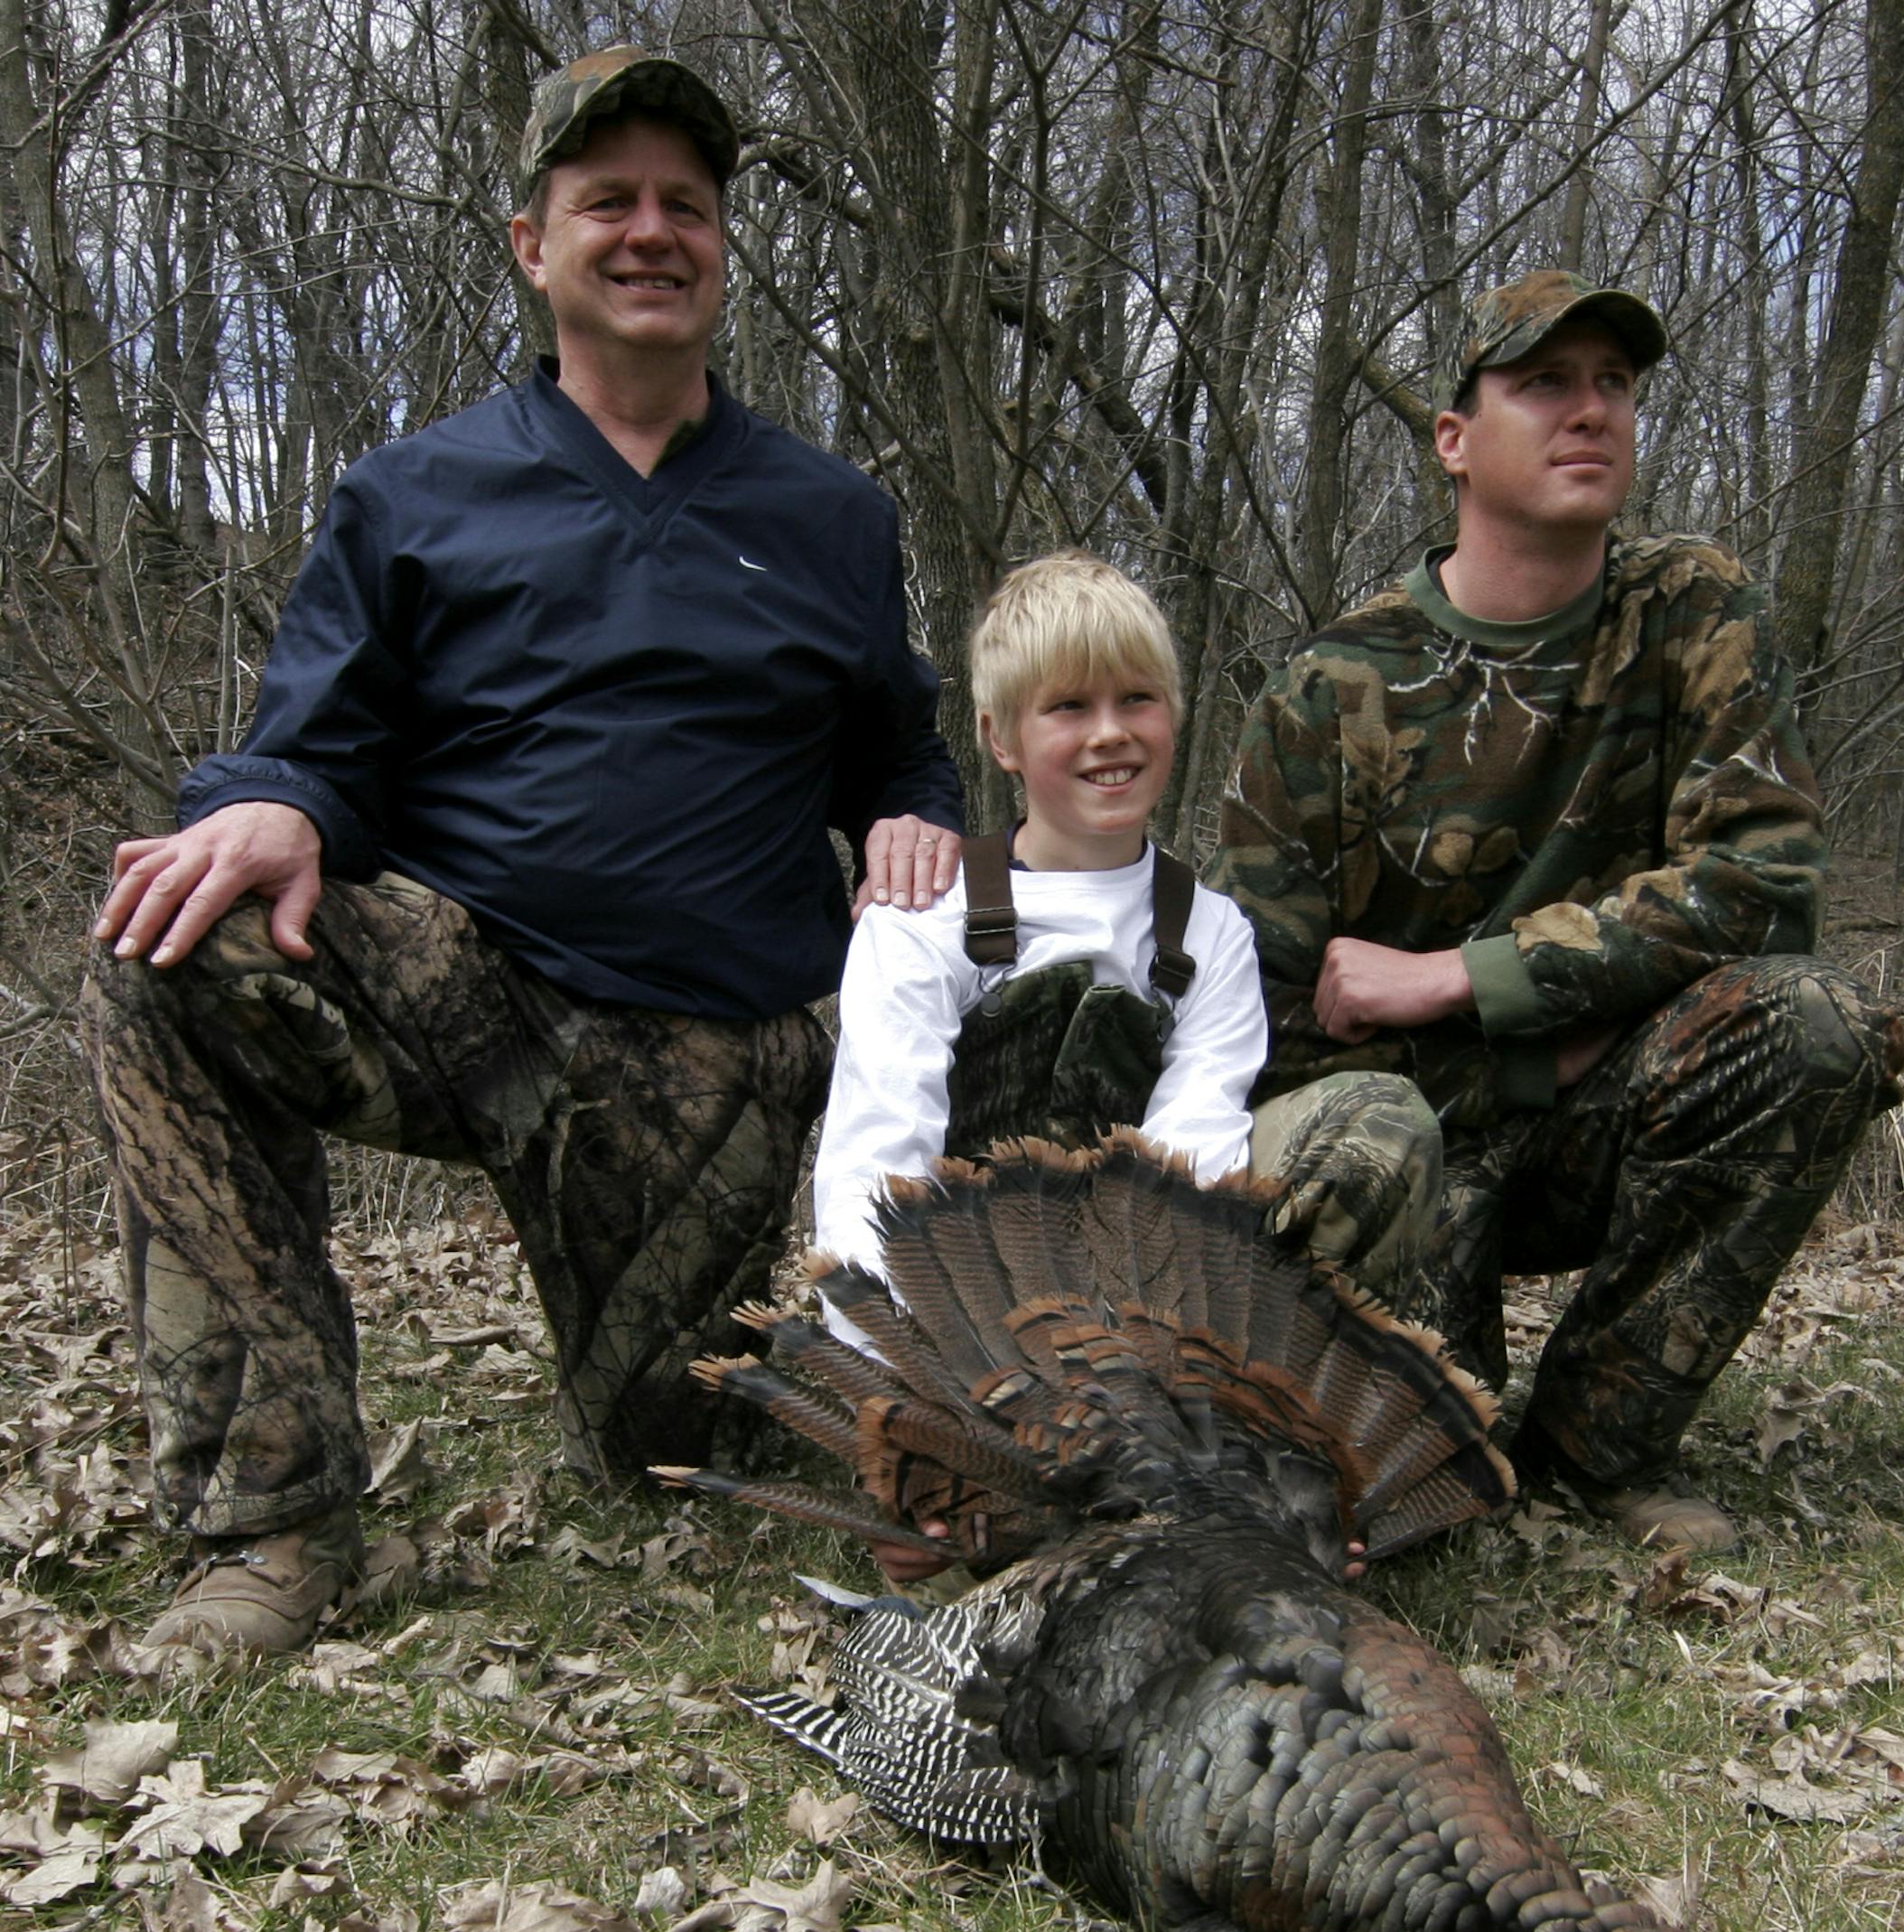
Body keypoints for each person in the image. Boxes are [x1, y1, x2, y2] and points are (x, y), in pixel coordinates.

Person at [81, 48, 963, 1657]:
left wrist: (928, 816)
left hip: (710, 1059)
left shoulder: (833, 515)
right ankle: (272, 1522)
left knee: (663, 1458)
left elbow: (900, 749)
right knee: (173, 932)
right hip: (467, 991)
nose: (649, 233)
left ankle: (727, 1378)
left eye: (684, 206)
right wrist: (268, 795)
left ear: (718, 248)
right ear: (529, 245)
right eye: (605, 201)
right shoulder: (411, 497)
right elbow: (317, 742)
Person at [1209, 270, 1904, 1555]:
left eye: (1615, 387)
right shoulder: (1329, 689)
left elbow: (1764, 889)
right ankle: (1457, 1404)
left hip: (1596, 1112)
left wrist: (1461, 982)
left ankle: (1603, 1443)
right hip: (1412, 1149)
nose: (1591, 413)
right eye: (1545, 385)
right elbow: (1270, 1033)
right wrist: (1543, 1043)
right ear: (1456, 441)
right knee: (1437, 1496)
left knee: (1813, 1026)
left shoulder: (1693, 611)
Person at [812, 550, 1274, 1579]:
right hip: (952, 1326)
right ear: (1001, 737)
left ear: (1176, 713)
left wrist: (1136, 1382)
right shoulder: (920, 919)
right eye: (1068, 706)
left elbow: (1195, 1164)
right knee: (957, 1543)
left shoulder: (1213, 931)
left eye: (1137, 699)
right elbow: (873, 1166)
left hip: (1137, 1320)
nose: (1109, 733)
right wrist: (912, 1395)